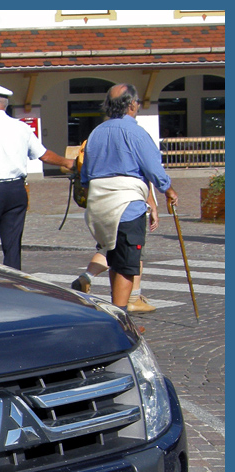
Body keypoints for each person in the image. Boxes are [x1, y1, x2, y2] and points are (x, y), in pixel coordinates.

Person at [0, 79, 75, 270]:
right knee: (12, 245)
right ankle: (13, 284)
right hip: (16, 189)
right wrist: (68, 162)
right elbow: (44, 155)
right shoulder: (22, 127)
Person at [81, 82, 177, 312]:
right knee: (125, 264)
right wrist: (168, 190)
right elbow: (153, 168)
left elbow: (85, 173)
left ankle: (118, 311)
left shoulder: (96, 133)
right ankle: (121, 318)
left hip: (100, 204)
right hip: (126, 204)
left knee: (115, 259)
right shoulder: (135, 132)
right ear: (132, 105)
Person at [71, 188, 158, 312]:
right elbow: (143, 181)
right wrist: (153, 205)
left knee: (109, 248)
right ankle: (133, 299)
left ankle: (86, 277)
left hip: (105, 206)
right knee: (133, 252)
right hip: (130, 209)